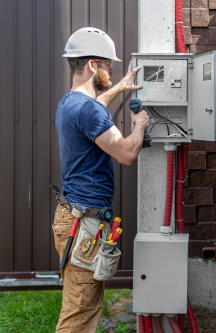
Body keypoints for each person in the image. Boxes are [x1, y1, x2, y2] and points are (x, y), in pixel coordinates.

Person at [52, 27, 149, 332]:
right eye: (108, 64)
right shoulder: (88, 110)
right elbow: (126, 153)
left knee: (85, 305)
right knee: (79, 313)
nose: (110, 69)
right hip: (85, 226)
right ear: (93, 65)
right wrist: (140, 126)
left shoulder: (70, 103)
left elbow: (94, 109)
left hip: (72, 217)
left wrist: (119, 88)